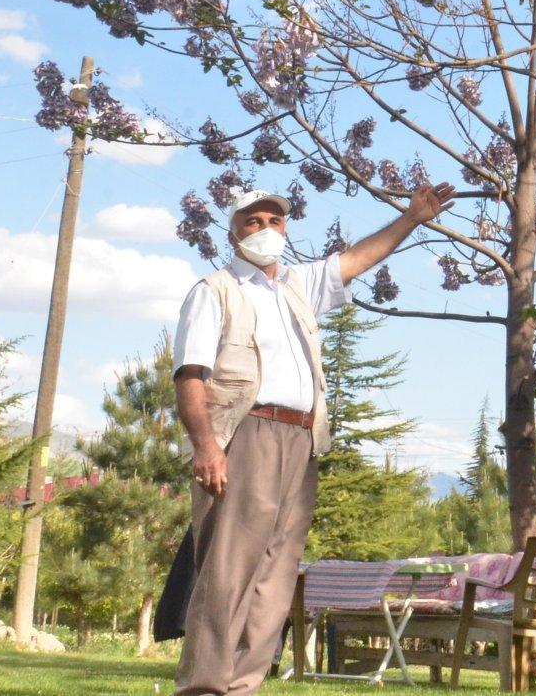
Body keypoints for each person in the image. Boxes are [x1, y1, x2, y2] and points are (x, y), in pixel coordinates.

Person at [171, 182, 455, 696]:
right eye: (253, 222)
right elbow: (191, 375)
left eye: (274, 221)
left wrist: (412, 218)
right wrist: (207, 446)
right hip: (245, 434)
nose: (266, 230)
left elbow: (358, 259)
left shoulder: (297, 285)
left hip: (302, 438)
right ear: (233, 233)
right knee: (228, 572)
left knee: (276, 577)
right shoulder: (214, 290)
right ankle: (203, 688)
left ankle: (242, 687)